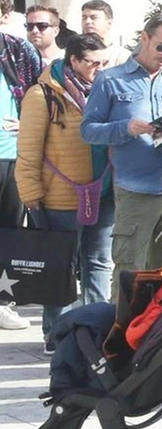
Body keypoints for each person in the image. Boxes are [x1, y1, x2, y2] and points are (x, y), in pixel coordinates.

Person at [81, 13, 162, 296]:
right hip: (135, 188)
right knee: (129, 270)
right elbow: (88, 130)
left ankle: (159, 334)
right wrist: (127, 128)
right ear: (144, 39)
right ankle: (119, 335)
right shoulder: (111, 80)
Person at [15, 32, 115, 351]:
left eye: (105, 62)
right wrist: (31, 197)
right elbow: (28, 151)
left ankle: (93, 329)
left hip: (103, 192)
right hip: (59, 198)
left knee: (98, 262)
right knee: (60, 267)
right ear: (73, 61)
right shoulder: (42, 94)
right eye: (93, 63)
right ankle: (55, 332)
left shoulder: (105, 89)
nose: (100, 69)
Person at [0, 17, 43, 330]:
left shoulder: (17, 50)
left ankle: (3, 301)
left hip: (13, 154)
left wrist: (27, 121)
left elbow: (38, 91)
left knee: (10, 231)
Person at [81, 0, 129, 67]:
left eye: (94, 17)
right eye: (84, 18)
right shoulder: (71, 54)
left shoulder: (122, 57)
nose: (88, 21)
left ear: (109, 23)